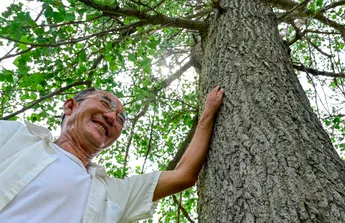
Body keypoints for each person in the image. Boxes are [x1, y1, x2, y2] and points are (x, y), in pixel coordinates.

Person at [0, 85, 224, 223]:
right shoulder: (14, 137)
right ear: (70, 107)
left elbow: (183, 175)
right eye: (105, 104)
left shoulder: (113, 193)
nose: (111, 117)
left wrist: (207, 114)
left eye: (120, 119)